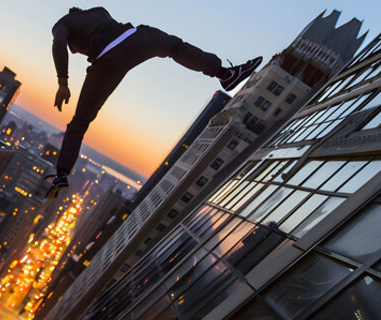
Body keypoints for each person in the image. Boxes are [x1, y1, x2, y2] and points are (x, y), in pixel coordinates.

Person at [45, 6, 262, 198]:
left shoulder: (62, 25)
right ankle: (225, 73)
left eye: (77, 48)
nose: (77, 51)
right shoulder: (99, 12)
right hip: (135, 37)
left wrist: (62, 82)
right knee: (174, 46)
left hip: (107, 61)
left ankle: (62, 174)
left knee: (80, 122)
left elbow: (59, 43)